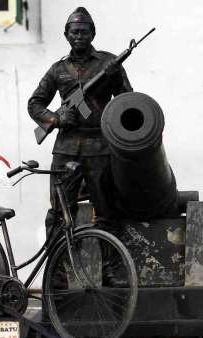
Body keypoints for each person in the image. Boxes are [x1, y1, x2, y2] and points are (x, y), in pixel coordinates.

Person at [27, 7, 132, 235]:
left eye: (84, 32)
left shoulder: (109, 63)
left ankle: (112, 270)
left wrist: (114, 74)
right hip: (66, 147)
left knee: (107, 214)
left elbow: (126, 104)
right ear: (66, 35)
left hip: (100, 148)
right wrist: (55, 117)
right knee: (59, 214)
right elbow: (34, 103)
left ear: (92, 34)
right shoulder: (58, 69)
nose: (78, 36)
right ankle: (58, 270)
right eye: (74, 32)